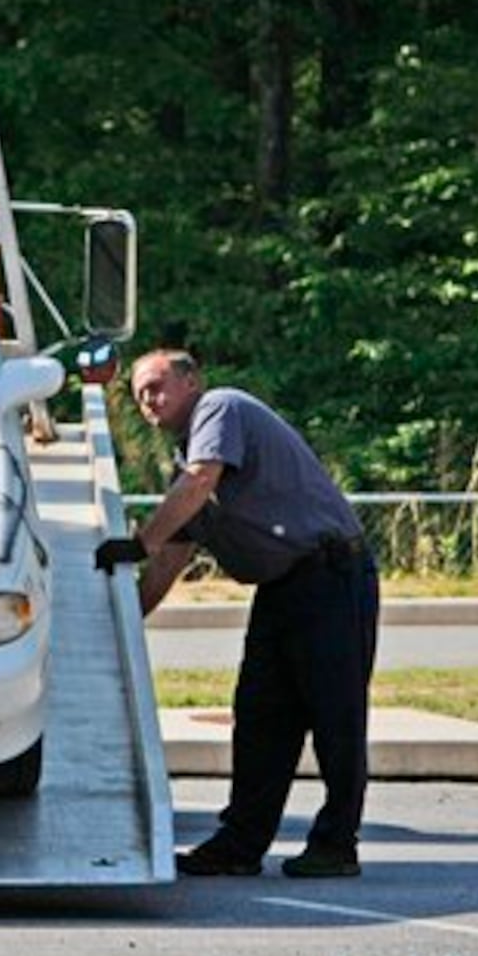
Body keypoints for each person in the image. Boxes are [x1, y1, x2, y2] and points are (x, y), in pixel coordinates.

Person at [96, 348, 379, 878]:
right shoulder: (187, 471)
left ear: (192, 382)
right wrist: (118, 624)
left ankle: (337, 844)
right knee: (259, 719)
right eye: (139, 395)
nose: (148, 401)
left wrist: (139, 541)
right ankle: (240, 845)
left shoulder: (221, 411)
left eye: (157, 386)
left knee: (334, 715)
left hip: (331, 575)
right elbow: (167, 565)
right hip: (282, 588)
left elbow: (199, 485)